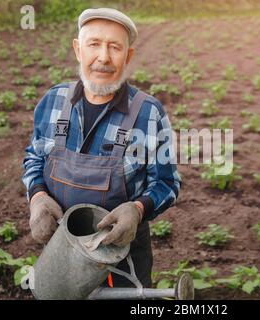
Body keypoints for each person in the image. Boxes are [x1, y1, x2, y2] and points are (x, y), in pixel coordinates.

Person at [21, 8, 181, 288]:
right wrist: (37, 197)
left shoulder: (148, 113)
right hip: (61, 250)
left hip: (123, 259)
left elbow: (167, 182)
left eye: (114, 47)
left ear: (128, 56)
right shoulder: (53, 101)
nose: (103, 57)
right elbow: (35, 156)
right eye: (94, 44)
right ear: (77, 49)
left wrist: (137, 209)